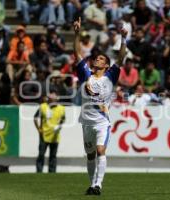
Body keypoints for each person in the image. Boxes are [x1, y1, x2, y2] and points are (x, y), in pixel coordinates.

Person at [73, 17, 127, 195]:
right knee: (90, 155)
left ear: (106, 65)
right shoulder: (86, 74)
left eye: (101, 59)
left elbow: (121, 57)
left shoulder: (110, 76)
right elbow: (78, 54)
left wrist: (124, 39)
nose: (97, 60)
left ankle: (98, 185)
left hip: (102, 122)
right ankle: (92, 184)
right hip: (86, 122)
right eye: (96, 58)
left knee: (100, 150)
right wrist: (76, 34)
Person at [33, 91, 65, 173]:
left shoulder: (61, 108)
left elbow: (63, 119)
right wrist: (38, 129)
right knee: (41, 154)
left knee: (53, 156)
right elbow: (35, 117)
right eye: (51, 99)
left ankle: (52, 172)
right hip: (44, 134)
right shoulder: (43, 107)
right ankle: (39, 171)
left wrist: (59, 126)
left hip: (55, 135)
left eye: (54, 99)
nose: (52, 100)